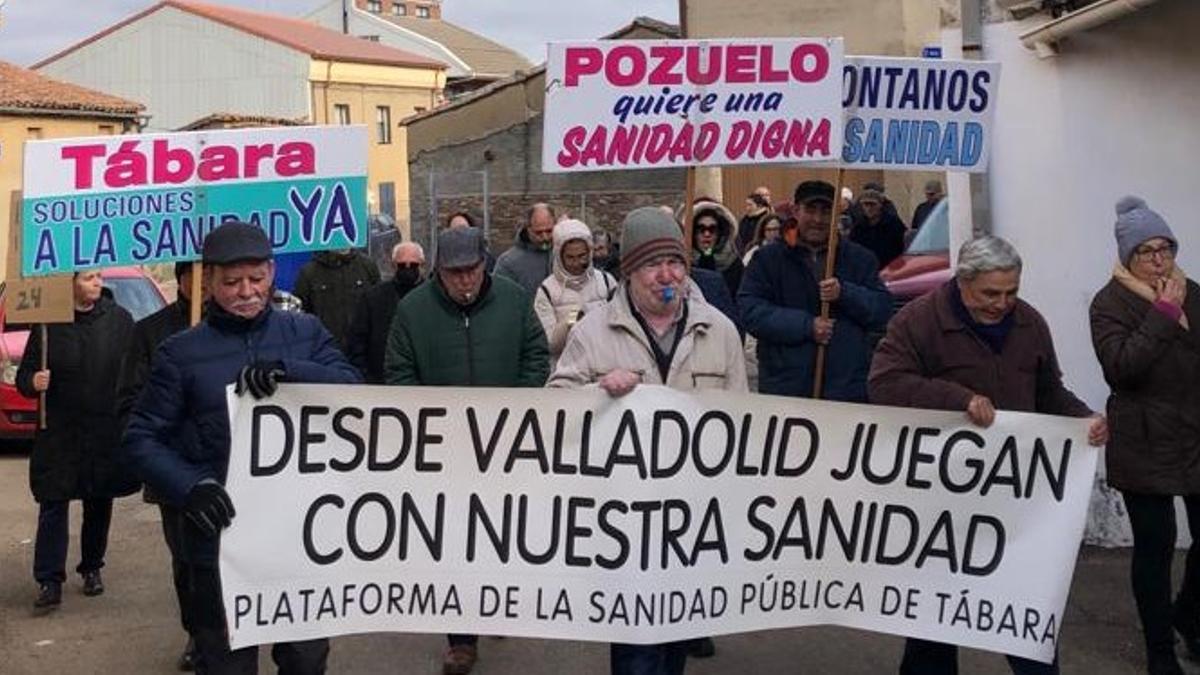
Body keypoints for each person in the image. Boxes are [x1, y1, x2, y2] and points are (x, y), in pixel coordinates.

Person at [124, 222, 361, 674]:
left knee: (306, 659)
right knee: (226, 662)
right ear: (208, 280)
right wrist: (191, 486)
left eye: (256, 279)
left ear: (272, 272)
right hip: (219, 542)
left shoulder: (306, 332)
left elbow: (352, 389)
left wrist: (294, 371)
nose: (246, 292)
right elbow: (140, 438)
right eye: (232, 283)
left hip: (297, 535)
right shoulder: (180, 353)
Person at [869, 235, 1109, 675]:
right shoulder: (918, 322)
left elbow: (1049, 391)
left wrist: (1082, 418)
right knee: (933, 630)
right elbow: (885, 384)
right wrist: (956, 398)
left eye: (1012, 292)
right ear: (963, 282)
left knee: (1026, 622)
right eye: (991, 294)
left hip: (1013, 504)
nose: (1003, 303)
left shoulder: (1029, 323)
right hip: (939, 506)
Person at [548, 206, 747, 675]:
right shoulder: (594, 330)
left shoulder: (718, 329)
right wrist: (597, 391)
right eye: (653, 265)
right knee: (637, 648)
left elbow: (741, 418)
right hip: (622, 518)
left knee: (676, 636)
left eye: (675, 263)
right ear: (629, 273)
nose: (667, 275)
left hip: (691, 515)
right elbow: (554, 406)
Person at [385, 226, 549, 675]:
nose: (464, 281)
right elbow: (398, 372)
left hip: (505, 443)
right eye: (453, 273)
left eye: (472, 271)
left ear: (485, 265)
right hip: (445, 451)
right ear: (437, 271)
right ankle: (460, 639)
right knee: (455, 543)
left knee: (501, 533)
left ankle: (495, 604)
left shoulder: (514, 300)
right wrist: (433, 424)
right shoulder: (413, 310)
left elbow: (536, 355)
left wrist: (515, 406)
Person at [1090, 197, 1200, 675]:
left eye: (1166, 249)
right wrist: (1162, 312)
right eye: (1147, 251)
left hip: (1195, 430)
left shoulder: (1191, 290)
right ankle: (1159, 649)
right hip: (1144, 437)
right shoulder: (1108, 303)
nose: (1159, 260)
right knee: (1156, 545)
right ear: (1128, 255)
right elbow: (1122, 368)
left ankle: (1188, 616)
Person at [18, 270, 137, 613]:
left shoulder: (119, 320)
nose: (97, 283)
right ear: (70, 283)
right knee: (53, 502)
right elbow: (25, 375)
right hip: (59, 430)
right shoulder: (47, 325)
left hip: (103, 429)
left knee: (98, 500)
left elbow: (132, 372)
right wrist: (33, 382)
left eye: (98, 276)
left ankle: (92, 567)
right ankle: (49, 579)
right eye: (88, 278)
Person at [117, 261, 206, 669]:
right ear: (184, 279)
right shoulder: (150, 331)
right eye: (200, 277)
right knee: (186, 558)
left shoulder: (237, 329)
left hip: (230, 467)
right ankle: (197, 632)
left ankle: (226, 631)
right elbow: (130, 401)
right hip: (175, 470)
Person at [740, 180, 892, 401]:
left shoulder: (860, 259)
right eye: (811, 210)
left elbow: (882, 310)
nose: (818, 220)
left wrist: (846, 293)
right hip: (786, 389)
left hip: (845, 391)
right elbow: (751, 311)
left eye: (826, 211)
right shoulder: (768, 259)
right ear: (795, 211)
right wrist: (806, 326)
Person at [533, 219, 617, 367]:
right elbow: (549, 344)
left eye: (582, 256)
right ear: (559, 256)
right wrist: (573, 317)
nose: (577, 263)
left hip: (604, 364)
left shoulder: (606, 282)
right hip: (566, 368)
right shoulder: (546, 290)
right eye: (570, 258)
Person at [346, 242, 426, 384]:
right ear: (393, 265)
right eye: (402, 265)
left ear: (422, 265)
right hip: (379, 383)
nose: (407, 269)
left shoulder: (432, 298)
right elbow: (357, 343)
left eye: (413, 265)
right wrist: (366, 379)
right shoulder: (373, 298)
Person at [293, 247, 381, 351]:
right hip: (325, 350)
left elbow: (378, 307)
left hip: (362, 351)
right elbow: (301, 314)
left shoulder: (367, 266)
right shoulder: (309, 272)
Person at [683, 199, 744, 297]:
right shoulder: (683, 262)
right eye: (701, 229)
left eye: (712, 229)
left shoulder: (732, 263)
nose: (707, 234)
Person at [495, 202, 555, 296]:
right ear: (528, 229)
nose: (545, 237)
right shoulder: (508, 263)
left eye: (549, 231)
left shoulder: (566, 254)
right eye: (538, 233)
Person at [849, 188, 908, 268]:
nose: (869, 208)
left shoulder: (893, 224)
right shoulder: (858, 227)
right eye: (866, 204)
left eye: (872, 204)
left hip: (889, 267)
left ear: (880, 205)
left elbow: (903, 246)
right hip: (865, 269)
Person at [735, 187, 773, 255]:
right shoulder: (744, 220)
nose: (747, 208)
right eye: (746, 205)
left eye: (750, 205)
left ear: (759, 206)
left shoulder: (766, 219)